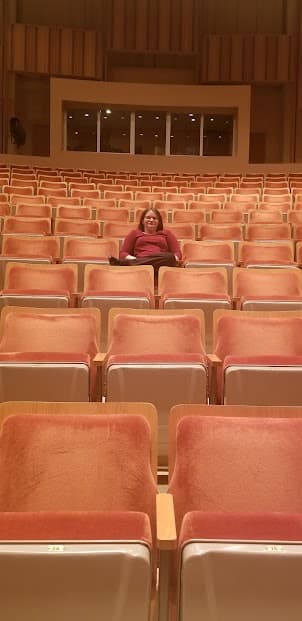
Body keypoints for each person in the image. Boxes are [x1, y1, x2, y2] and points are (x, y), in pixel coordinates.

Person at [109, 208, 182, 273]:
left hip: (161, 263)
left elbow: (178, 253)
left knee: (169, 257)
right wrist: (136, 259)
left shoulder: (167, 234)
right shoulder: (134, 233)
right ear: (142, 221)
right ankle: (139, 262)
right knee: (169, 257)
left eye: (154, 218)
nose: (151, 220)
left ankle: (134, 263)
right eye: (148, 218)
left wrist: (137, 261)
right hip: (140, 261)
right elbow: (123, 253)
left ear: (159, 222)